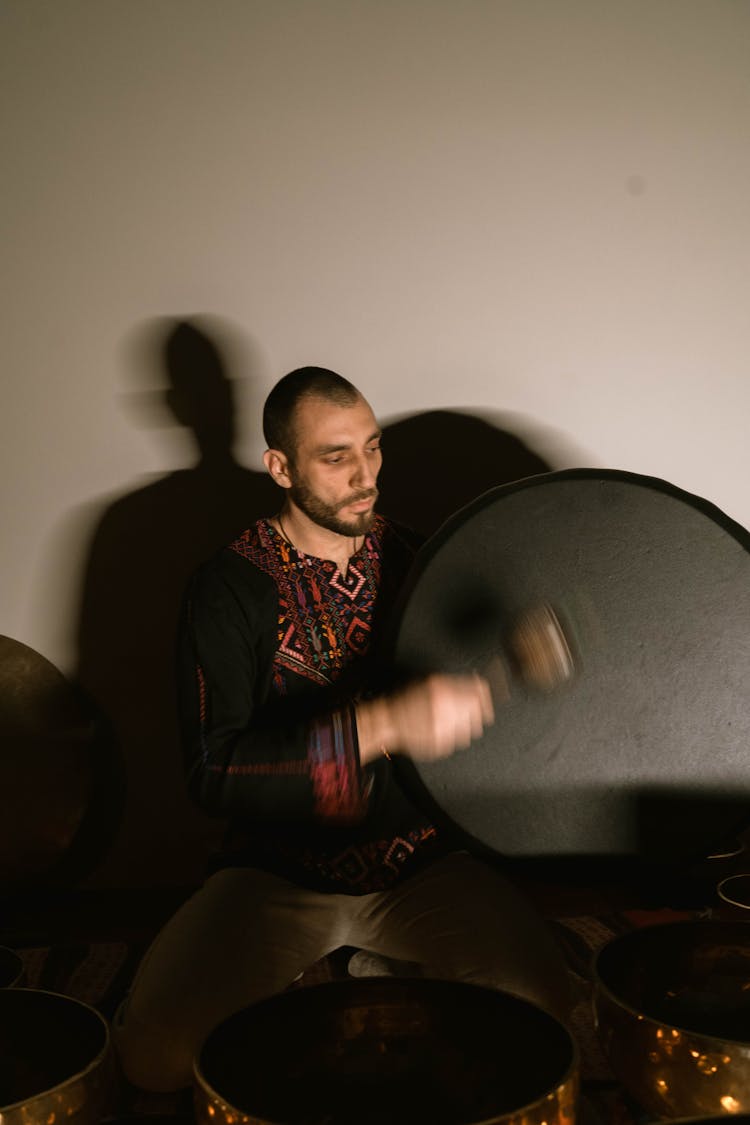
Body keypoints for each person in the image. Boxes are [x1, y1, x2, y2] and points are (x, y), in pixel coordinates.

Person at [114, 367, 571, 1093]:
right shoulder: (228, 587)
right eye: (335, 457)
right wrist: (381, 724)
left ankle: (381, 963)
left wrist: (516, 662)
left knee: (552, 1022)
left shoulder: (420, 560)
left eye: (373, 447)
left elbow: (470, 701)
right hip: (277, 873)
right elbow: (214, 769)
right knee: (156, 1058)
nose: (365, 476)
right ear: (281, 466)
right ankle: (351, 965)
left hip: (421, 866)